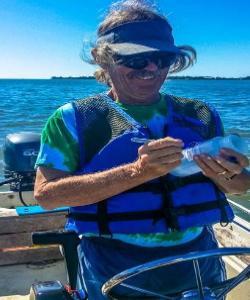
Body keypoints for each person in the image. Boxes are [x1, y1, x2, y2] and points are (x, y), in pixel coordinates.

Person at [34, 1, 250, 299]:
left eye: (162, 58)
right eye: (137, 58)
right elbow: (47, 195)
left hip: (199, 260)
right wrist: (137, 172)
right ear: (104, 59)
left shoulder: (201, 115)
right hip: (112, 264)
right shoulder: (71, 120)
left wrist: (229, 174)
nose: (151, 67)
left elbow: (239, 186)